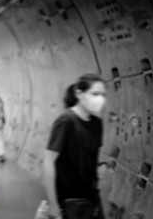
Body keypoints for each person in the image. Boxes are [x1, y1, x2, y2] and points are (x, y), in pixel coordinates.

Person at [43, 74, 107, 219]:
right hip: (68, 200)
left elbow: (93, 155)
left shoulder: (97, 123)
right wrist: (52, 203)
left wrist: (100, 168)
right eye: (95, 94)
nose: (100, 99)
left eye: (103, 95)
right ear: (79, 93)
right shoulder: (66, 121)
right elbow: (48, 161)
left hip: (91, 198)